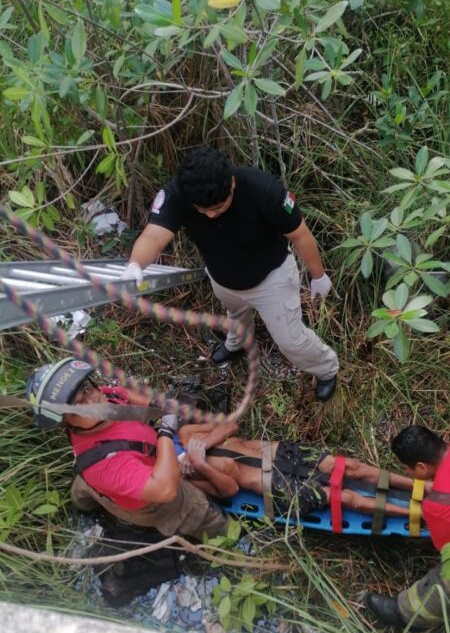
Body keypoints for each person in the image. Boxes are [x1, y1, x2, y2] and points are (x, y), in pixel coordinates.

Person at [121, 146, 339, 401]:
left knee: (291, 341)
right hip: (223, 278)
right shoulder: (179, 192)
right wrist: (136, 264)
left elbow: (300, 234)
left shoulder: (263, 189)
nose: (211, 215)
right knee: (235, 316)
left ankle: (327, 368)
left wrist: (318, 276)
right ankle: (237, 344)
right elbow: (154, 235)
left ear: (232, 184)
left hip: (271, 278)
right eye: (204, 211)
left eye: (218, 207)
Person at [25, 358, 229, 540]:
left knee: (85, 488)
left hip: (122, 472)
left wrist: (158, 405)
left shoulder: (102, 398)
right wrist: (166, 430)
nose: (92, 402)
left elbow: (123, 396)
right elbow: (166, 490)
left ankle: (83, 504)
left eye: (86, 390)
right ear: (65, 422)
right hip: (153, 501)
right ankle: (227, 541)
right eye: (78, 407)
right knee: (198, 512)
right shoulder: (106, 465)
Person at [174, 423, 414, 520]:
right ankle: (417, 513)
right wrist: (200, 464)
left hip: (276, 452)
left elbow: (232, 426)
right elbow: (229, 490)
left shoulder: (187, 434)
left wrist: (203, 445)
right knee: (345, 498)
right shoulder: (184, 478)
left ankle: (419, 486)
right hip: (273, 484)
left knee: (350, 467)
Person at [366, 426, 450, 631]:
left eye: (406, 469)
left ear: (421, 467)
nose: (406, 473)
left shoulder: (438, 505)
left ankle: (407, 614)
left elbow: (446, 549)